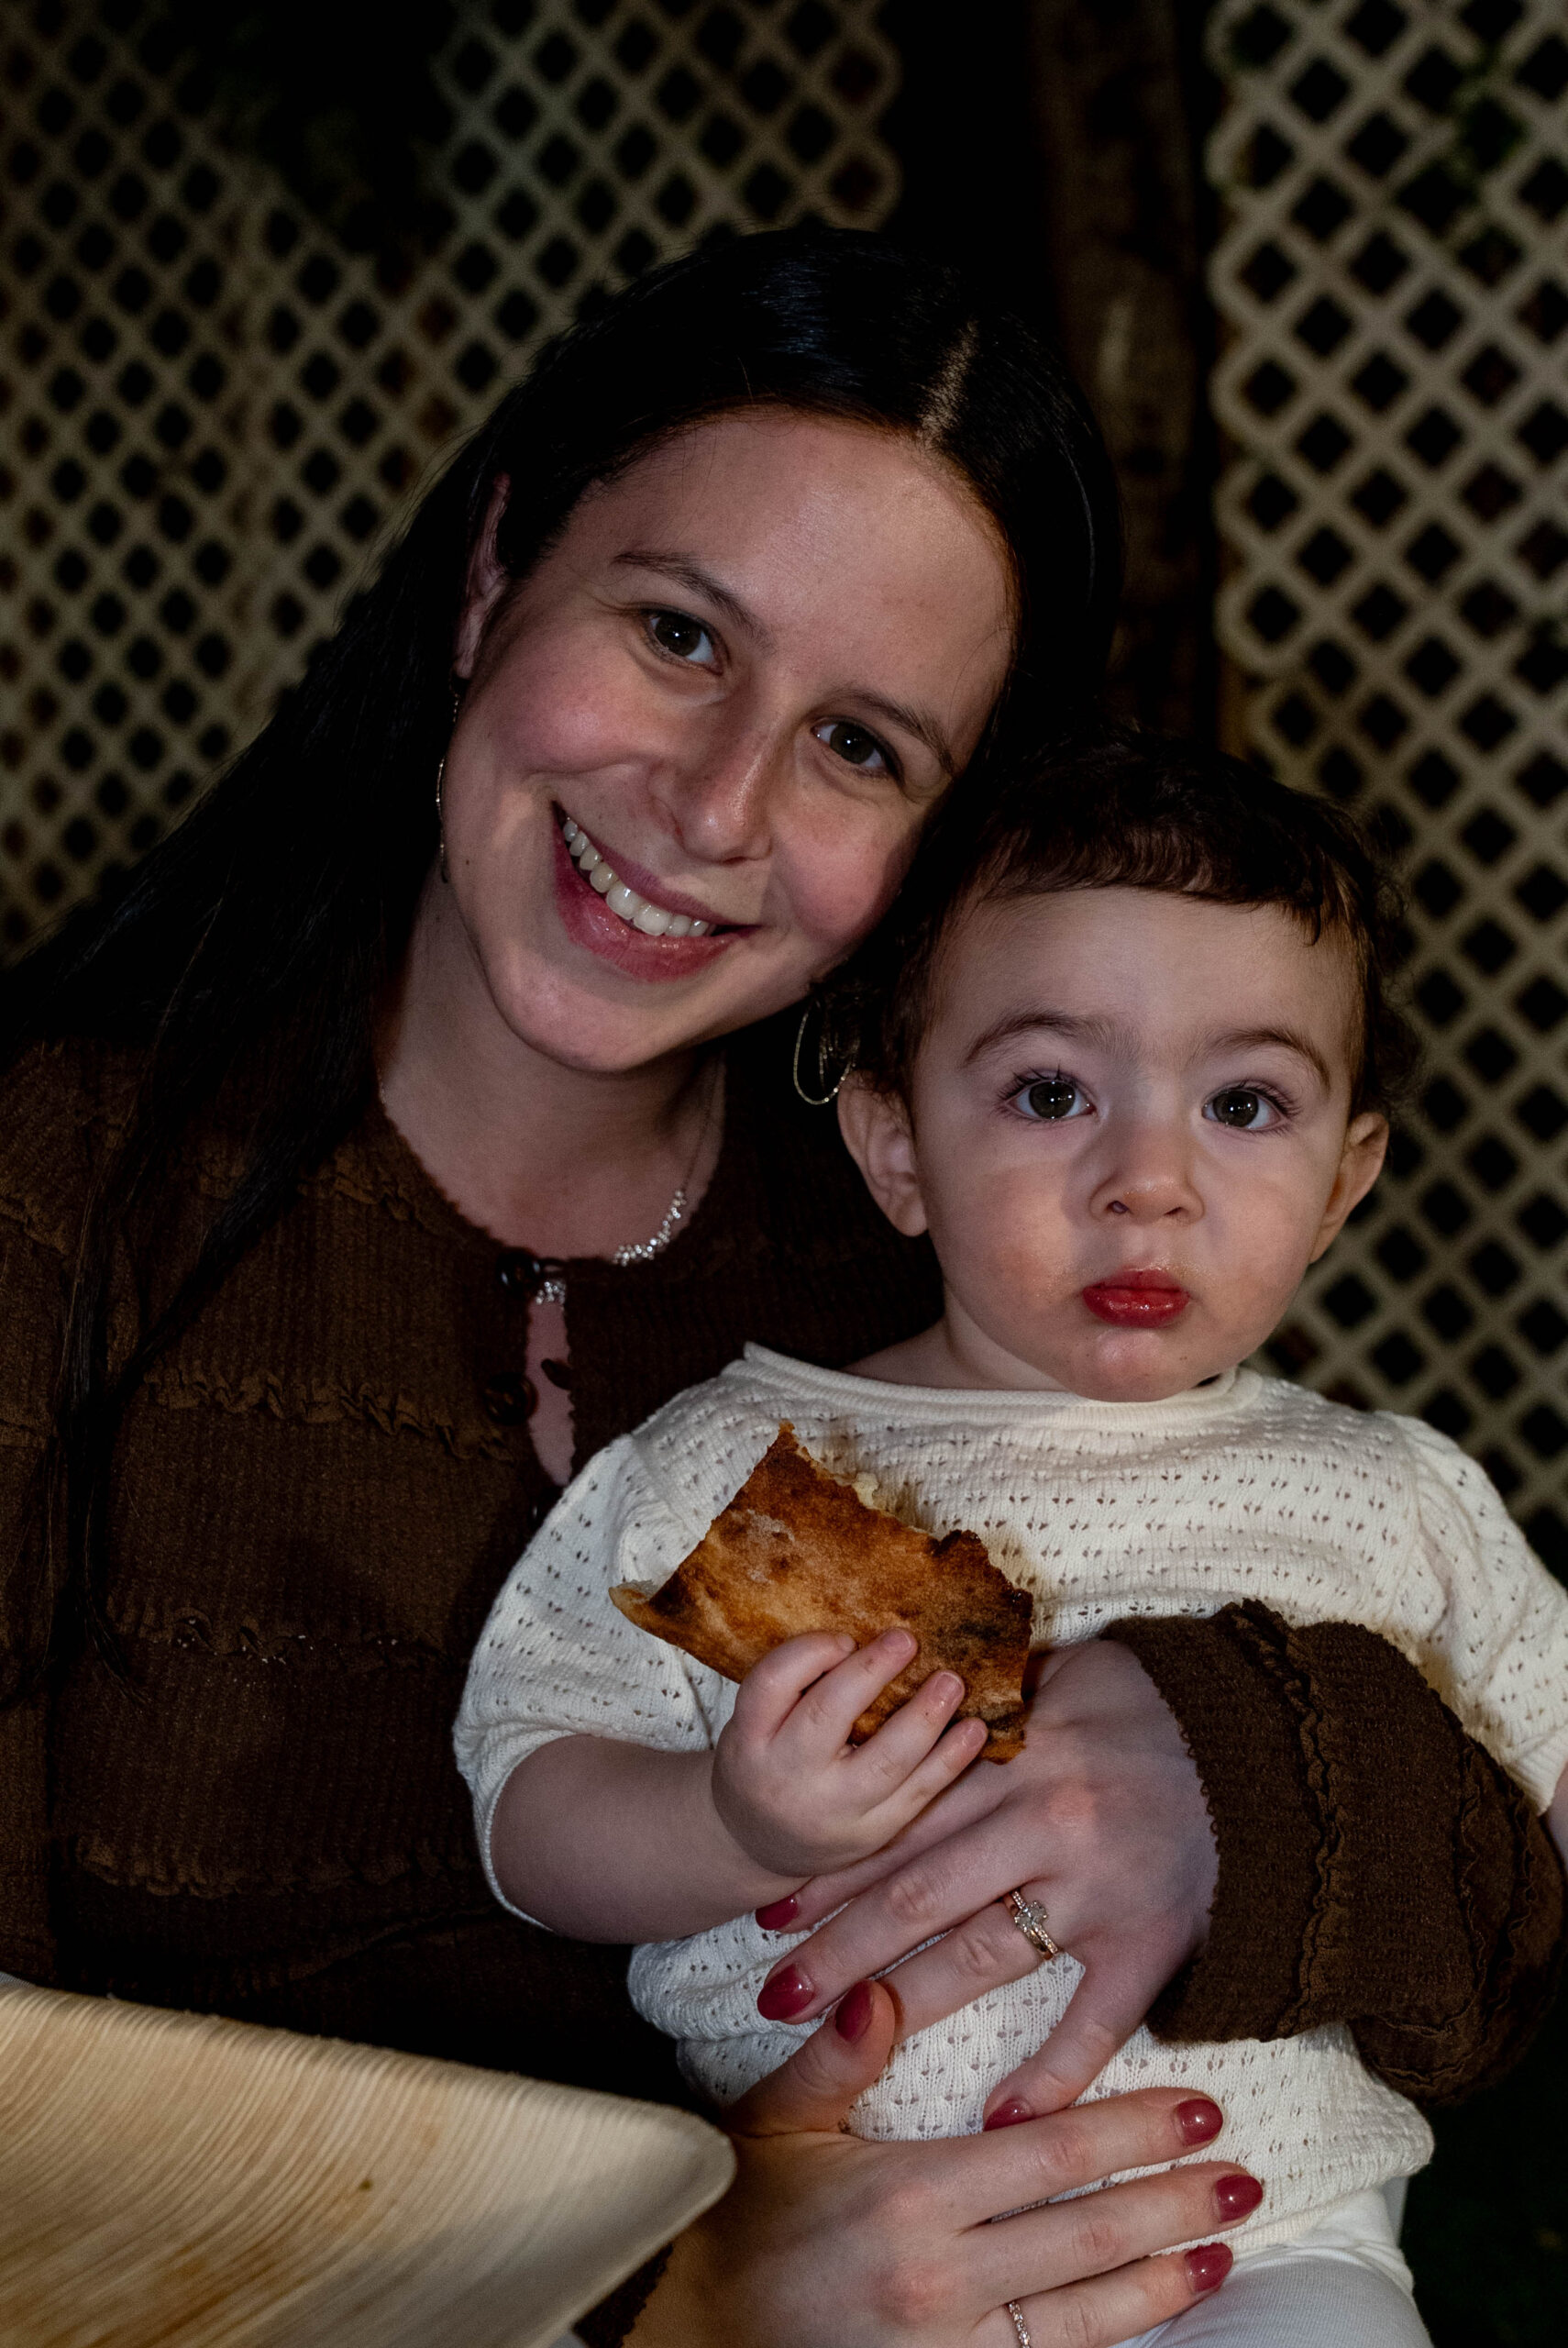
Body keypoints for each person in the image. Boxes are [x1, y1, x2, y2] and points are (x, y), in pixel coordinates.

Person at [0, 232, 1558, 2348]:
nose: (717, 803)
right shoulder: (54, 1200)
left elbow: (1483, 1945)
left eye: (862, 744)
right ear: (493, 574)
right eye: (677, 632)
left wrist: (1239, 1778)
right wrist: (671, 2291)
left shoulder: (954, 1255)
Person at [457, 737, 1568, 2348]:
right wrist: (729, 1822)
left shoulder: (1389, 1494)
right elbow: (525, 1795)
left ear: (1342, 1182)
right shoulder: (730, 1467)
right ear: (897, 1145)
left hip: (1258, 2244)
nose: (1146, 1183)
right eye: (1051, 1093)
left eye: (1244, 1103)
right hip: (835, 2247)